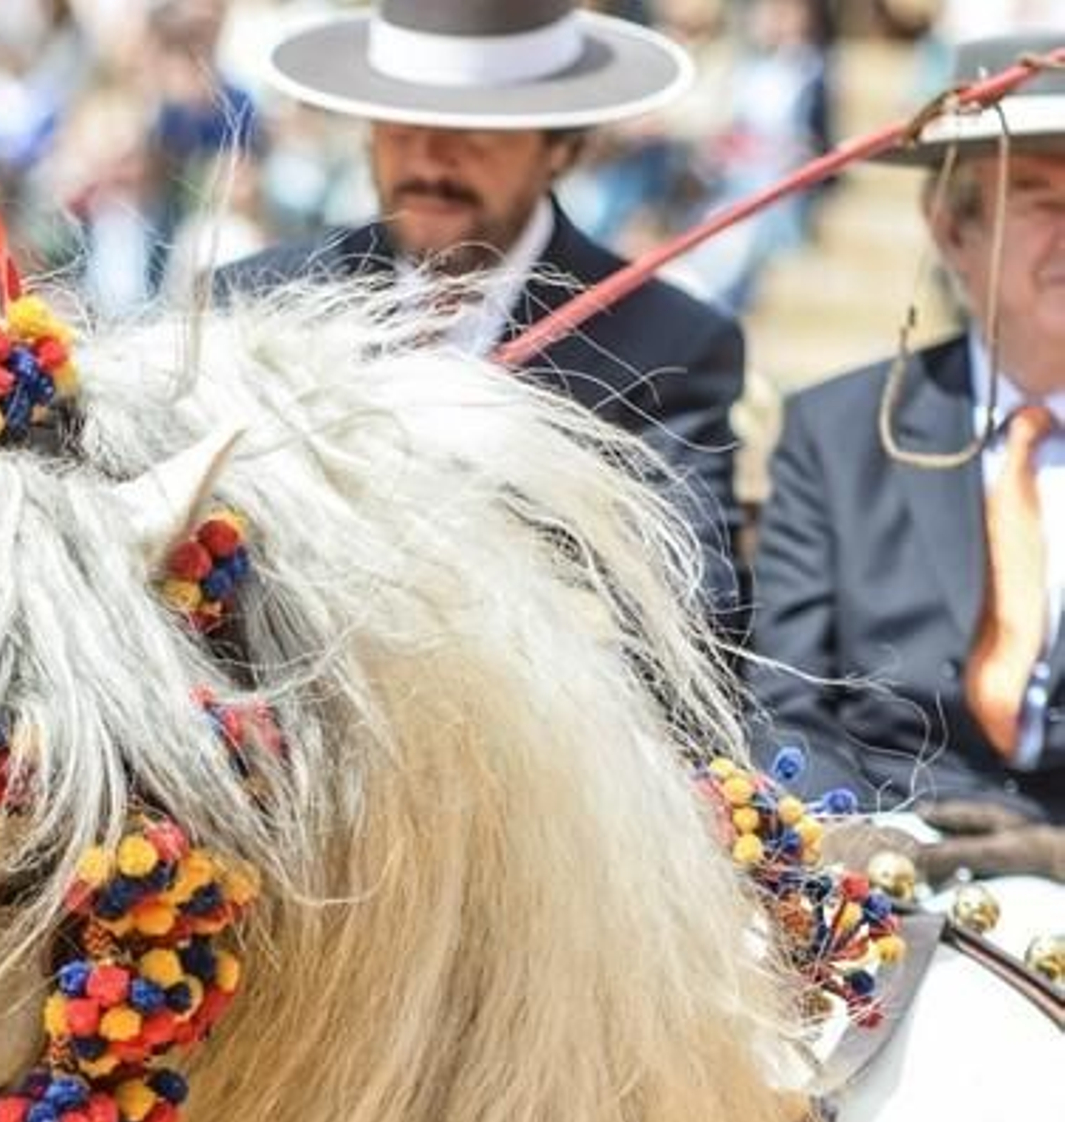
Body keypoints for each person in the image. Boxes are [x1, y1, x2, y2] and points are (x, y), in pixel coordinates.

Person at [220, 0, 749, 641]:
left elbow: (689, 610)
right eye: (401, 124)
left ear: (561, 148)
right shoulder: (253, 302)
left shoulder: (665, 347)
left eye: (478, 132)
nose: (432, 160)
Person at [747, 32, 1065, 880]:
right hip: (886, 866)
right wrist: (856, 840)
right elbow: (785, 701)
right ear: (953, 229)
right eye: (1040, 201)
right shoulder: (840, 431)